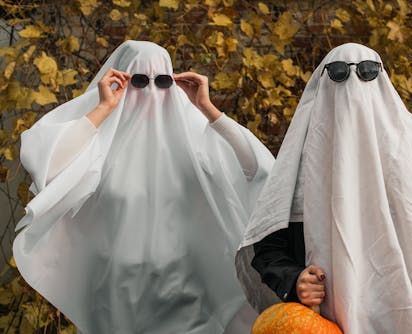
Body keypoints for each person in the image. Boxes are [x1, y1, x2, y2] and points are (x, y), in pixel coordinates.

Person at [235, 43, 412, 334]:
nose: (354, 83)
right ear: (323, 82)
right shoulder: (299, 164)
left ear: (382, 79)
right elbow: (267, 244)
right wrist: (294, 280)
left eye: (368, 73)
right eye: (338, 75)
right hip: (329, 319)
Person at [13, 40, 274, 334]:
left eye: (162, 82)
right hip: (113, 294)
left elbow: (257, 169)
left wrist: (207, 108)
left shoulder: (196, 142)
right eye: (138, 81)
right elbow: (50, 169)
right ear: (119, 80)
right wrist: (103, 108)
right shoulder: (99, 146)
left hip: (185, 293)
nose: (151, 91)